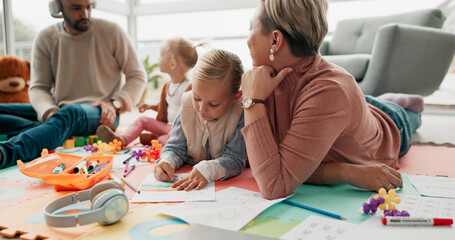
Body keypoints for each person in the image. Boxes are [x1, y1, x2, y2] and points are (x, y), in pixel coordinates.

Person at [240, 0, 424, 199]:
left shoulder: (329, 92)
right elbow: (257, 160)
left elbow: (274, 183)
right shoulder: (261, 79)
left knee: (405, 115)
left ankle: (405, 105)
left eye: (251, 28)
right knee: (351, 101)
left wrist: (252, 101)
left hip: (390, 125)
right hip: (344, 110)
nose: (247, 38)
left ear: (275, 41)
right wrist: (342, 172)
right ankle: (379, 100)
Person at [0, 0, 146, 168]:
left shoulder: (112, 31)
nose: (85, 14)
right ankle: (52, 130)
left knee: (69, 115)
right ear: (57, 8)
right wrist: (50, 112)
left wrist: (114, 103)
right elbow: (39, 87)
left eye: (89, 6)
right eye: (76, 8)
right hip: (59, 110)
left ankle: (6, 153)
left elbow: (138, 75)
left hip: (101, 112)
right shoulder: (45, 37)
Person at [154, 49, 247, 191]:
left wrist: (207, 169)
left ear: (235, 96)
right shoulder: (186, 104)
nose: (202, 109)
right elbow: (175, 148)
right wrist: (167, 161)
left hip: (224, 188)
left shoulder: (242, 112)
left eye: (214, 104)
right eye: (197, 98)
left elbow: (235, 159)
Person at [97, 37, 201, 146]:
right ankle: (121, 140)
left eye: (161, 55)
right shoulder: (168, 86)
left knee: (168, 140)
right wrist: (152, 106)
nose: (158, 59)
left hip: (180, 131)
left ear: (173, 64)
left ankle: (157, 139)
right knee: (142, 120)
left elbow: (193, 116)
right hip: (167, 126)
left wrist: (178, 133)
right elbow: (168, 107)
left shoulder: (189, 88)